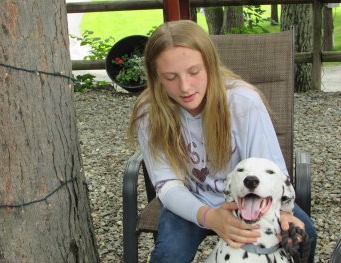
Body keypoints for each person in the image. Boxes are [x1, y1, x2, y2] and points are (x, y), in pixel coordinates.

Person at [129, 20, 317, 263]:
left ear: (210, 65)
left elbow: (270, 170)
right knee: (169, 255)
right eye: (170, 77)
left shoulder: (243, 102)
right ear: (156, 77)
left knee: (305, 234)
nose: (185, 87)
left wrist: (283, 211)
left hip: (249, 198)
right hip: (191, 199)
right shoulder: (149, 113)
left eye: (194, 72)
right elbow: (167, 185)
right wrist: (210, 217)